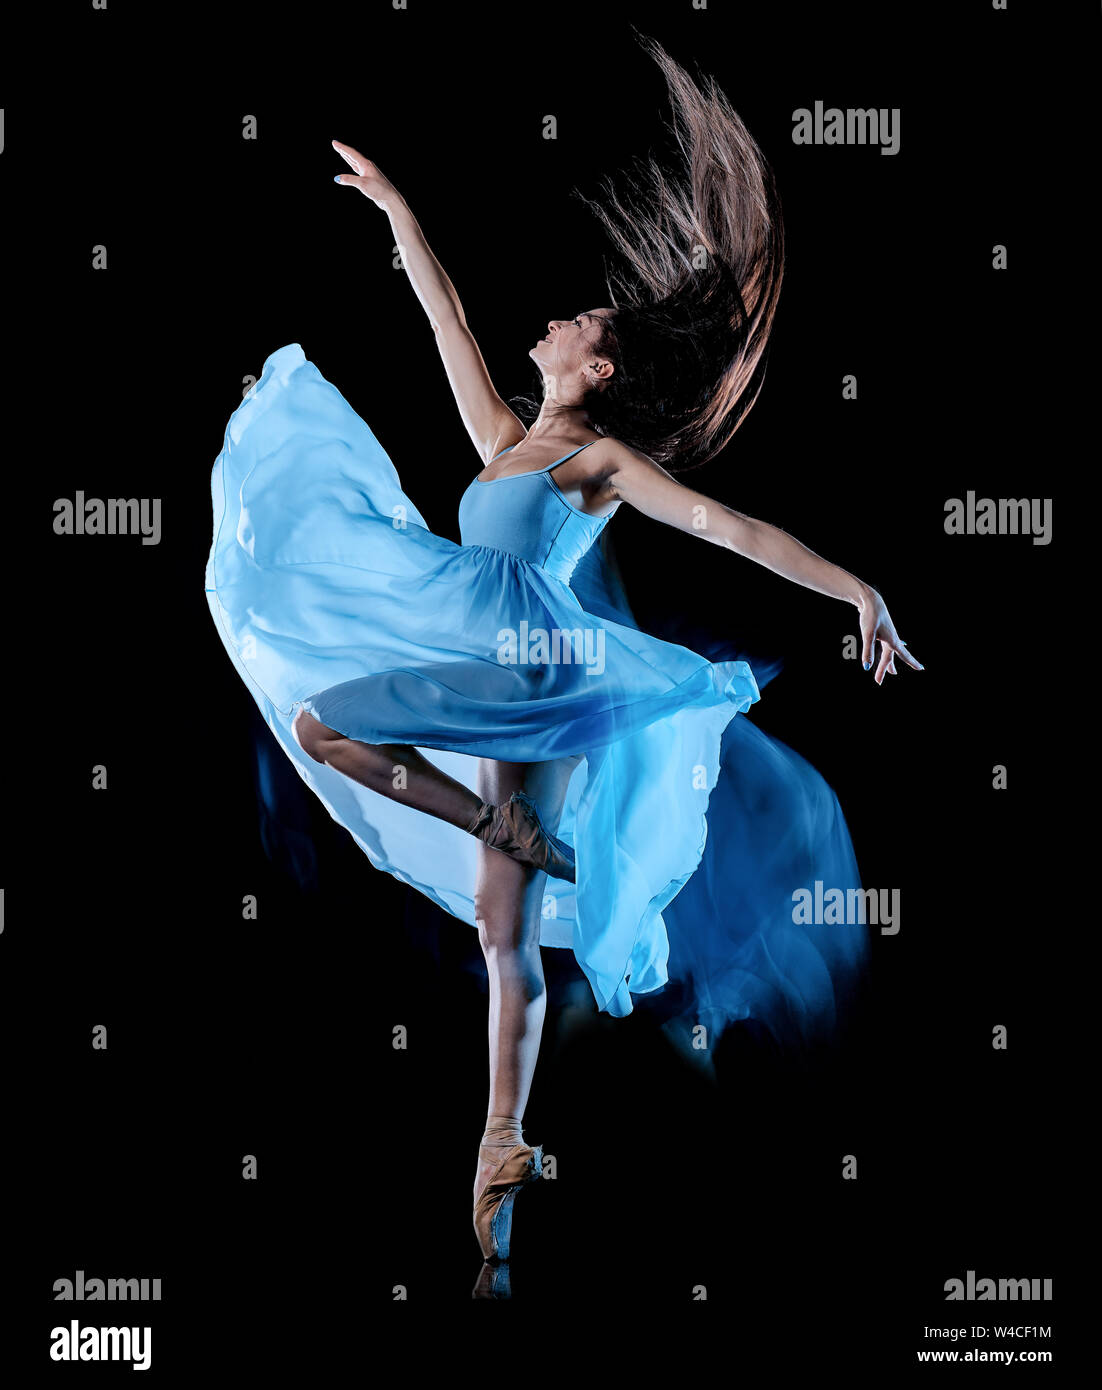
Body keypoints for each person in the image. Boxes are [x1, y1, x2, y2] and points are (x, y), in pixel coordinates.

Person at [205, 37, 921, 1267]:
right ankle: (501, 1148)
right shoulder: (501, 441)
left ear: (592, 370)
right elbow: (445, 315)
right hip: (501, 677)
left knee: (328, 725)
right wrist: (399, 213)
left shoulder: (595, 464)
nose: (560, 315)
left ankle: (506, 839)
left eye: (578, 321)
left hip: (533, 668)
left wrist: (853, 586)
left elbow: (726, 524)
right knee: (502, 934)